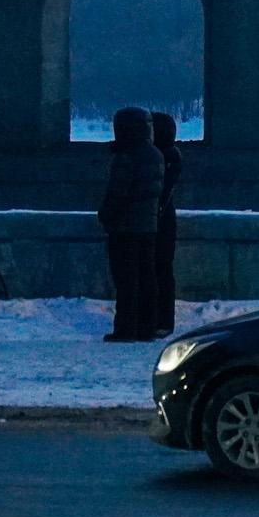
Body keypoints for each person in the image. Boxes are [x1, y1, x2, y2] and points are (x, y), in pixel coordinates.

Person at [96, 105, 162, 342]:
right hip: (148, 226)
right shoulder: (155, 155)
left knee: (126, 281)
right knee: (147, 278)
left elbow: (119, 193)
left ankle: (126, 328)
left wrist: (105, 215)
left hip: (125, 228)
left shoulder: (127, 157)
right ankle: (147, 327)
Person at [148, 109, 182, 339]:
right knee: (162, 270)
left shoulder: (164, 158)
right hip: (163, 220)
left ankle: (160, 320)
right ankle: (161, 320)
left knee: (159, 270)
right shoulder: (172, 156)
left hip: (158, 222)